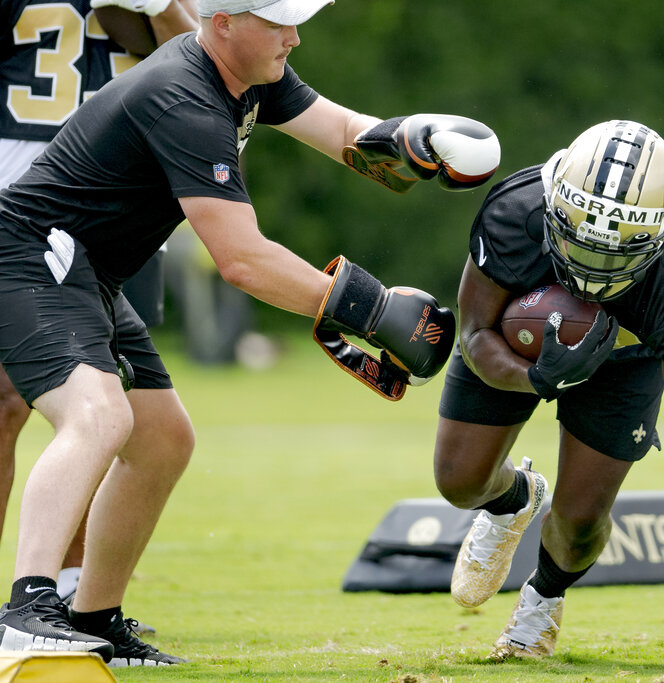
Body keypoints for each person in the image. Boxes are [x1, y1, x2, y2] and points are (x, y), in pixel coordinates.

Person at [0, 0, 499, 667]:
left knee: (164, 439)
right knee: (96, 415)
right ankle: (28, 609)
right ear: (223, 21)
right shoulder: (185, 97)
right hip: (31, 253)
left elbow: (346, 131)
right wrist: (373, 311)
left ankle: (95, 615)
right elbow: (242, 259)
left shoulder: (247, 70)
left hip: (86, 268)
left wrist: (411, 142)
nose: (293, 35)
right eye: (276, 20)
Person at [433, 120, 664, 660]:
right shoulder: (513, 213)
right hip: (518, 337)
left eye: (615, 254)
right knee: (458, 482)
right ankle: (514, 499)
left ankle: (542, 602)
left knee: (579, 524)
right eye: (581, 245)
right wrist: (533, 377)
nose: (592, 272)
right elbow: (476, 331)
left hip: (625, 356)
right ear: (556, 212)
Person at [0, 0, 198, 616]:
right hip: (15, 180)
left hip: (119, 202)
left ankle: (73, 592)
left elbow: (208, 59)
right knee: (6, 404)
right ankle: (31, 597)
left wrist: (161, 4)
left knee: (118, 404)